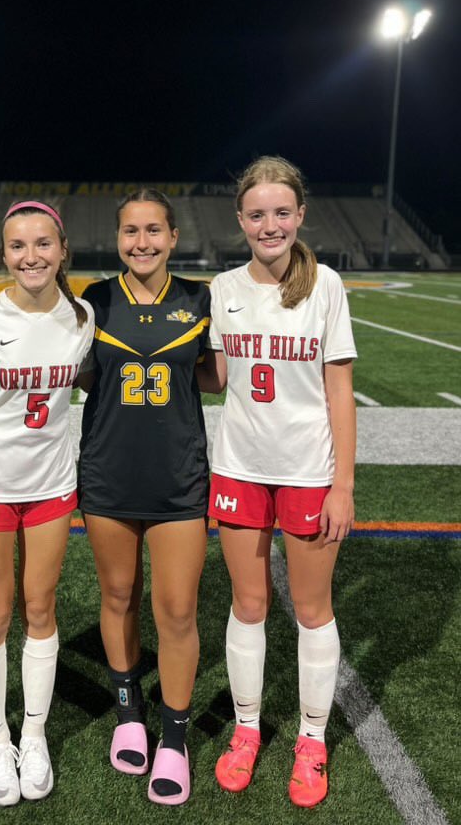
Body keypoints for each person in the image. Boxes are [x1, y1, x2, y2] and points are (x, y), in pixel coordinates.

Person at [204, 156, 356, 808]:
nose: (270, 225)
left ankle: (312, 740)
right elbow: (215, 378)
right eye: (258, 214)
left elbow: (340, 391)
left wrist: (342, 484)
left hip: (307, 471)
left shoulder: (327, 287)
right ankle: (246, 730)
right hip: (239, 465)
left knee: (313, 609)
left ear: (301, 215)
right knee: (249, 603)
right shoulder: (222, 288)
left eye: (282, 213)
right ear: (241, 220)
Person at [78, 188, 216, 806]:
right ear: (118, 239)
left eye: (153, 230)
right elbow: (84, 377)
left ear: (173, 237)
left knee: (178, 611)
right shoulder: (95, 300)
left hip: (177, 478)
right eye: (131, 231)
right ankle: (129, 712)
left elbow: (213, 377)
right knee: (117, 596)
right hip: (109, 476)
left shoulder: (198, 299)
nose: (142, 242)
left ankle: (175, 738)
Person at [0, 201, 94, 807]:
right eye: (18, 245)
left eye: (43, 244)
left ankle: (33, 736)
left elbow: (94, 382)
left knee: (41, 605)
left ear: (62, 250)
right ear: (3, 254)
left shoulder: (83, 317)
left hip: (52, 485)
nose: (31, 256)